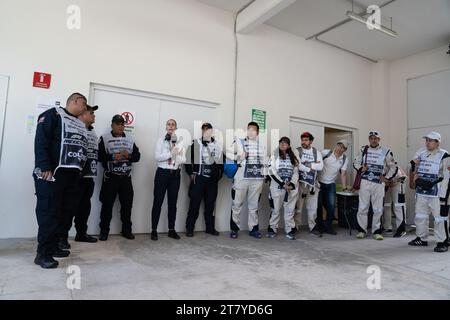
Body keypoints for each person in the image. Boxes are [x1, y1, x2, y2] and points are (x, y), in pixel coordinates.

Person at [33, 92, 88, 268]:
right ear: (76, 101)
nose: (85, 109)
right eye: (84, 105)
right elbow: (41, 141)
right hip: (52, 174)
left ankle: (55, 246)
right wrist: (44, 166)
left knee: (64, 214)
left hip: (71, 177)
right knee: (48, 213)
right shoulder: (53, 115)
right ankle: (43, 254)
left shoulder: (79, 123)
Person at [98, 115, 141, 241]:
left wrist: (129, 156)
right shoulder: (104, 138)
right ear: (112, 125)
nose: (121, 126)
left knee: (127, 206)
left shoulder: (130, 138)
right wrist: (112, 157)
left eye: (122, 124)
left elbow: (138, 157)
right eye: (118, 124)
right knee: (107, 206)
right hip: (110, 178)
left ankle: (126, 230)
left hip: (126, 178)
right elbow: (99, 156)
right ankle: (104, 231)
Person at [408, 132, 450, 252]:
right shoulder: (421, 153)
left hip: (437, 192)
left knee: (440, 218)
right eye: (426, 140)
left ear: (437, 142)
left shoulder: (445, 155)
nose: (427, 143)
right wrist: (414, 179)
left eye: (431, 140)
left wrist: (444, 194)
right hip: (421, 191)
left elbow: (447, 176)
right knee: (421, 216)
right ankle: (421, 238)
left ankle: (442, 241)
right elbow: (414, 167)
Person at [354, 131, 398, 241]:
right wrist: (360, 168)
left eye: (375, 138)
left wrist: (387, 178)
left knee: (378, 209)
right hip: (365, 181)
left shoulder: (386, 151)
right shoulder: (364, 149)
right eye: (371, 138)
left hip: (378, 183)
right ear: (369, 139)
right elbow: (356, 162)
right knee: (363, 207)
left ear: (379, 140)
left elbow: (393, 167)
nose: (373, 140)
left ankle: (376, 231)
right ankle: (361, 230)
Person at [228, 122, 267, 239]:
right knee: (236, 204)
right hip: (241, 178)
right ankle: (234, 229)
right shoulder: (239, 142)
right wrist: (240, 156)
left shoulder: (262, 146)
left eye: (253, 130)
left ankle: (253, 229)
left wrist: (265, 175)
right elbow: (228, 155)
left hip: (257, 179)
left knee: (254, 206)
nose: (251, 132)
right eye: (249, 129)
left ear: (258, 132)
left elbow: (265, 162)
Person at [184, 123, 223, 237]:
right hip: (199, 178)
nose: (206, 132)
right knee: (194, 204)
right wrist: (191, 173)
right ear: (202, 131)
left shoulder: (217, 145)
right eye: (204, 130)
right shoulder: (196, 143)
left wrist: (218, 176)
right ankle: (190, 228)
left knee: (210, 205)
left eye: (208, 130)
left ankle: (210, 228)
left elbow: (221, 162)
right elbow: (187, 159)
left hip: (211, 181)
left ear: (211, 131)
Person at [151, 119, 186, 241]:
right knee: (158, 202)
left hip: (175, 175)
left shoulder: (180, 142)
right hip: (162, 174)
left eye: (173, 124)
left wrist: (177, 155)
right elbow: (157, 157)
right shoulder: (160, 141)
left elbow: (183, 159)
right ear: (166, 127)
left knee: (173, 204)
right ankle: (154, 230)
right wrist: (171, 154)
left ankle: (171, 230)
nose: (171, 126)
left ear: (176, 128)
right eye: (169, 124)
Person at [72, 104, 99, 243]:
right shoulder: (76, 129)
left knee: (84, 207)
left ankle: (81, 233)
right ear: (82, 114)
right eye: (91, 113)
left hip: (89, 176)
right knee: (71, 207)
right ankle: (61, 237)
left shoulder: (92, 131)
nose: (94, 115)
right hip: (77, 176)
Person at [267, 137, 300, 240]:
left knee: (290, 211)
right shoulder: (274, 155)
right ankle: (272, 229)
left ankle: (289, 230)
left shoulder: (293, 158)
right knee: (275, 210)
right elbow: (271, 171)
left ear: (289, 146)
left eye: (285, 143)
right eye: (281, 143)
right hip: (277, 187)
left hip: (290, 189)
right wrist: (282, 184)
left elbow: (296, 173)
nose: (282, 144)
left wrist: (292, 185)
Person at [316, 140, 349, 235]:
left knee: (331, 206)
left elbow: (343, 173)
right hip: (319, 183)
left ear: (345, 149)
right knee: (318, 206)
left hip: (331, 184)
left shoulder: (344, 158)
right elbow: (316, 163)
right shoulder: (326, 152)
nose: (339, 148)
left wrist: (344, 187)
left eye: (342, 147)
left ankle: (328, 227)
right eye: (339, 145)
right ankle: (320, 226)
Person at [294, 132, 323, 237]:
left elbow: (320, 167)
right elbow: (296, 164)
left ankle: (313, 227)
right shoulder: (297, 151)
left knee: (312, 207)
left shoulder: (316, 152)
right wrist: (312, 165)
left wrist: (308, 164)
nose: (304, 142)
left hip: (313, 184)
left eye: (306, 140)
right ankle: (295, 227)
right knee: (298, 206)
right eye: (302, 140)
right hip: (300, 183)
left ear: (311, 141)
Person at [382, 166, 407, 238]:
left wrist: (395, 182)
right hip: (389, 184)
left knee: (399, 205)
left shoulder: (392, 165)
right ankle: (387, 226)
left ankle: (401, 229)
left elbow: (403, 176)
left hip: (399, 183)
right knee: (386, 205)